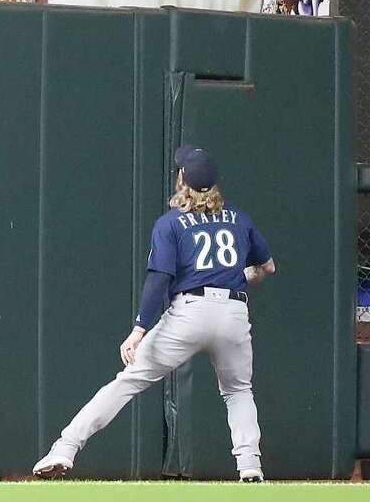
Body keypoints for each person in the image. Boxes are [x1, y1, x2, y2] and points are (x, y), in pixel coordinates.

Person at [33, 145, 274, 483]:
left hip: (189, 312)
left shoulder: (171, 223)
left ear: (181, 180)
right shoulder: (239, 218)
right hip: (233, 311)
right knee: (238, 391)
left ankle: (65, 448)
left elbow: (160, 279)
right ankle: (250, 465)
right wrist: (238, 279)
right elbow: (267, 267)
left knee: (128, 381)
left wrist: (138, 329)